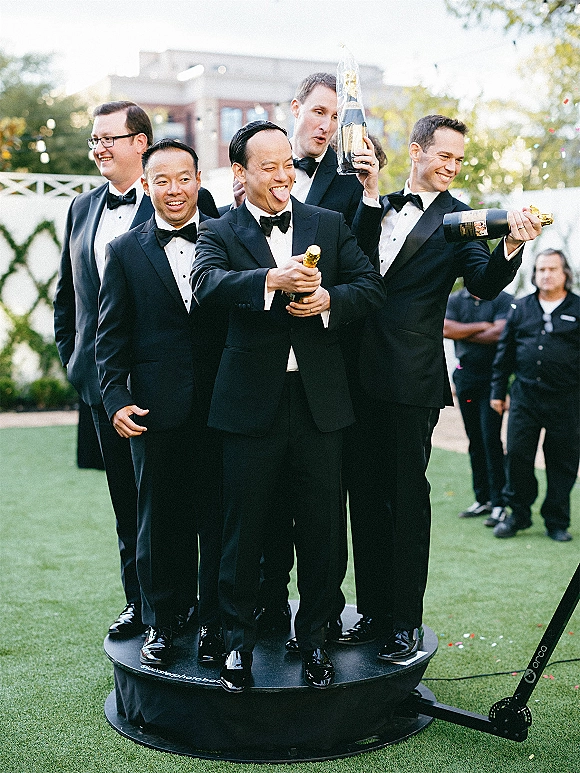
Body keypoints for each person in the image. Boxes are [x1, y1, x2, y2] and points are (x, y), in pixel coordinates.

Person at [191, 121, 385, 692]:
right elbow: (206, 284)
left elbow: (369, 287)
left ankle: (318, 639)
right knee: (242, 532)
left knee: (324, 531)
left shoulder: (327, 222)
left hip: (320, 405)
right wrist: (271, 280)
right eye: (268, 167)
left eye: (287, 166)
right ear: (241, 172)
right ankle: (236, 644)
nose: (283, 176)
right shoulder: (218, 230)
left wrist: (328, 299)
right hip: (248, 407)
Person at [339, 114, 542, 659]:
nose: (452, 167)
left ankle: (405, 621)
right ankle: (373, 612)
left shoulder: (462, 218)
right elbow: (351, 265)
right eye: (444, 155)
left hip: (411, 378)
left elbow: (483, 283)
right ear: (416, 151)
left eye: (458, 159)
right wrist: (368, 196)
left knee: (406, 501)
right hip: (352, 376)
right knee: (365, 499)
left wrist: (511, 245)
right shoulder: (372, 201)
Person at [252, 72, 383, 637]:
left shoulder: (352, 183)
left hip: (327, 370)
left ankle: (322, 620)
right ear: (296, 107)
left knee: (324, 509)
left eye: (336, 116)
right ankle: (265, 607)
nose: (327, 125)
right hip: (258, 372)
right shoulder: (251, 172)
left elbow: (366, 269)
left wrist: (370, 194)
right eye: (319, 111)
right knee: (262, 507)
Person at [95, 139, 225, 666]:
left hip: (223, 405)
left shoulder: (228, 235)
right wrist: (116, 398)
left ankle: (214, 624)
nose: (175, 190)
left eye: (184, 178)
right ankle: (162, 623)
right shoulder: (125, 250)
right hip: (153, 410)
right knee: (159, 522)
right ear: (147, 185)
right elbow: (111, 336)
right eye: (163, 180)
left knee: (220, 521)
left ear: (199, 181)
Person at [54, 101, 154, 640]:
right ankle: (138, 604)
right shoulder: (81, 208)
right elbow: (68, 295)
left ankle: (189, 608)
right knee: (125, 504)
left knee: (176, 501)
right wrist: (74, 361)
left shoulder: (180, 197)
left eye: (108, 138)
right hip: (99, 385)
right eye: (94, 140)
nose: (99, 149)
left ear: (140, 142)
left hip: (160, 383)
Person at [490, 249, 579, 542]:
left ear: (565, 274)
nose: (546, 275)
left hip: (567, 401)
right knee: (517, 456)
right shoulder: (520, 307)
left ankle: (556, 521)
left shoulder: (578, 308)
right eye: (541, 269)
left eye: (552, 269)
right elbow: (504, 353)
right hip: (524, 398)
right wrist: (498, 391)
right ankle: (518, 514)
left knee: (562, 462)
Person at [444, 288, 513, 526]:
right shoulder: (455, 299)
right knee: (474, 439)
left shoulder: (503, 299)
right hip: (465, 378)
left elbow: (500, 333)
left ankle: (499, 503)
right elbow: (445, 329)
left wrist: (462, 332)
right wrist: (483, 326)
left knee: (490, 439)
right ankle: (482, 499)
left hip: (492, 379)